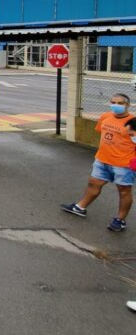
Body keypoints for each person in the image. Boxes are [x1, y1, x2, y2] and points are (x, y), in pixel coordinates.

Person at [61, 94, 135, 232]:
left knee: (124, 192)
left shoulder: (133, 122)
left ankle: (120, 220)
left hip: (123, 164)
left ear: (127, 105)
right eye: (113, 102)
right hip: (102, 160)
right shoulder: (106, 116)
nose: (116, 105)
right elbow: (102, 134)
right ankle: (80, 207)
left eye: (120, 103)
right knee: (93, 183)